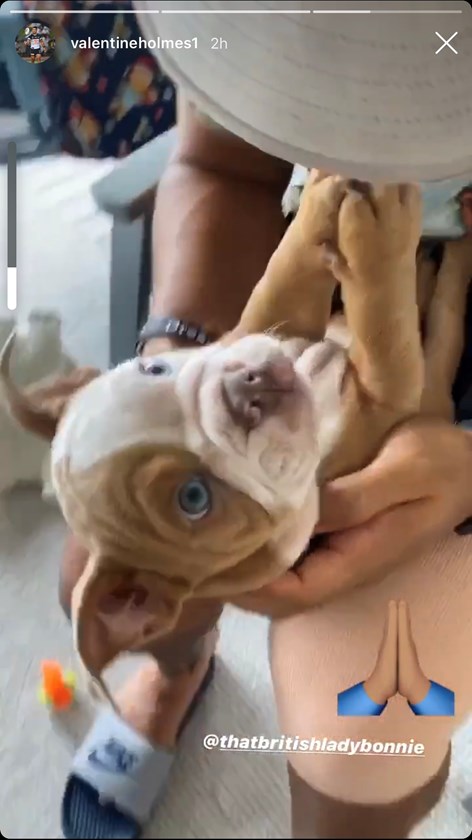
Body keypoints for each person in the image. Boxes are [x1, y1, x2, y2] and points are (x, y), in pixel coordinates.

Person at [59, 2, 472, 838]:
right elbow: (220, 164)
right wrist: (182, 356)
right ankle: (181, 666)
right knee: (109, 573)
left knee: (362, 737)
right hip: (317, 287)